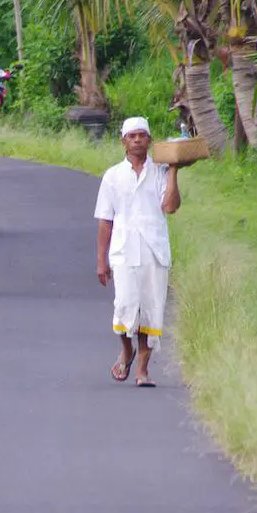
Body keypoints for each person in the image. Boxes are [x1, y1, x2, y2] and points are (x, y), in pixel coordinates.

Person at [93, 117, 182, 388]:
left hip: (154, 250)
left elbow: (171, 207)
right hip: (123, 251)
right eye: (132, 136)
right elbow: (105, 221)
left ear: (149, 140)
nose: (137, 140)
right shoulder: (113, 176)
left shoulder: (160, 171)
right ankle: (126, 349)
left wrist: (174, 171)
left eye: (142, 135)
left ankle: (142, 370)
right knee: (125, 304)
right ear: (123, 141)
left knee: (151, 309)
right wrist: (101, 262)